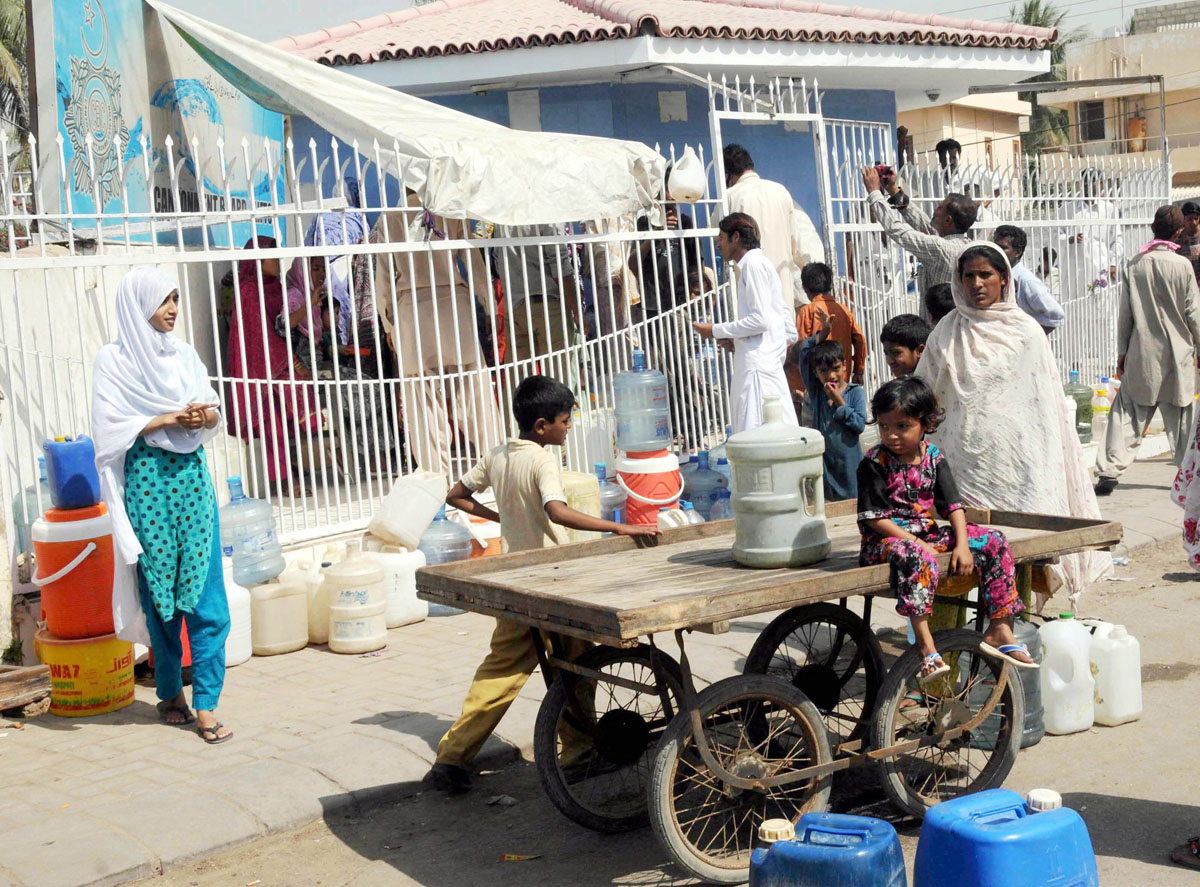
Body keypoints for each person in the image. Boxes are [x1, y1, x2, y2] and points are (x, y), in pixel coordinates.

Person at [425, 376, 659, 794]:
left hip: (516, 582)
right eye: (564, 421)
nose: (568, 427)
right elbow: (558, 512)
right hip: (554, 582)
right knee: (578, 667)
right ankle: (578, 754)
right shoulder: (542, 460)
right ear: (541, 425)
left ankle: (451, 759)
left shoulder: (498, 454)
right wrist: (617, 528)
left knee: (500, 672)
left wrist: (503, 520)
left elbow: (456, 495)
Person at [917, 243, 1111, 602]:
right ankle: (955, 647)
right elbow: (924, 391)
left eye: (985, 275)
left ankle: (1011, 635)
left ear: (1004, 279)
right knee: (956, 565)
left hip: (1016, 466)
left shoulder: (1027, 332)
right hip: (961, 465)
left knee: (1018, 552)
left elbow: (1043, 408)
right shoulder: (946, 331)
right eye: (969, 275)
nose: (977, 283)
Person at [92, 267, 233, 744]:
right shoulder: (113, 362)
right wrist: (163, 418)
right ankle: (170, 693)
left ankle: (207, 704)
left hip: (192, 484)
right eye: (163, 300)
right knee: (163, 601)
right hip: (148, 487)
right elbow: (109, 432)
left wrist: (201, 415)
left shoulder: (185, 356)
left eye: (175, 298)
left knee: (208, 601)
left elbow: (213, 409)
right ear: (139, 305)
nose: (173, 308)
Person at [857, 376, 1036, 682]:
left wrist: (963, 545)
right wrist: (917, 542)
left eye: (902, 426)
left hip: (923, 535)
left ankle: (999, 627)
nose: (892, 435)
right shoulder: (874, 462)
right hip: (884, 543)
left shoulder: (934, 458)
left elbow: (953, 507)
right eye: (884, 427)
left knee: (994, 540)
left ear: (925, 423)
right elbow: (876, 519)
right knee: (917, 555)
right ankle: (926, 648)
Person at [373, 196, 505, 475]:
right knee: (474, 389)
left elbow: (384, 276)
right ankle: (497, 461)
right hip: (452, 305)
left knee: (422, 400)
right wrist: (488, 305)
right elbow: (471, 257)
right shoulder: (448, 210)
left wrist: (388, 325)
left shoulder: (389, 217)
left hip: (412, 310)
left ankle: (436, 476)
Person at [1096, 205, 1200, 495]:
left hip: (1142, 352)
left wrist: (1122, 352)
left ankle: (1109, 472)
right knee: (1180, 418)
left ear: (1153, 228)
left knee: (1128, 414)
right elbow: (1193, 313)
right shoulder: (1182, 266)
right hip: (1178, 355)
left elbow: (1125, 314)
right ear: (1178, 232)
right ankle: (1189, 473)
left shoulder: (1135, 264)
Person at [226, 236, 320, 497]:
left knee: (292, 422)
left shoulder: (278, 287)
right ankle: (284, 481)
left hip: (281, 365)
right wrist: (293, 363)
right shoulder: (248, 291)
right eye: (272, 257)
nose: (278, 261)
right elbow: (259, 337)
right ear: (257, 260)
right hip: (260, 370)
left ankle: (288, 470)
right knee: (272, 426)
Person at [693, 213, 799, 433]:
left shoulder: (753, 265)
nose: (718, 244)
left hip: (758, 372)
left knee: (758, 440)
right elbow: (785, 328)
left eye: (721, 237)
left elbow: (759, 320)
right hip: (766, 367)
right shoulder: (761, 264)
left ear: (736, 237)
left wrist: (714, 330)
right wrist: (739, 339)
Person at [862, 166, 977, 300]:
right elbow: (924, 225)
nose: (935, 209)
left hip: (939, 320)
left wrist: (874, 192)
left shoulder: (941, 248)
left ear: (948, 220)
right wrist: (894, 191)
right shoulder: (963, 245)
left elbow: (896, 229)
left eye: (939, 208)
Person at [723, 144, 819, 307]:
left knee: (754, 325)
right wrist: (813, 277)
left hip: (751, 287)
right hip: (782, 284)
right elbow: (796, 243)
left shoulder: (730, 197)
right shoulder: (780, 191)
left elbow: (718, 237)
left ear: (728, 175)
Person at [799, 317, 865, 501]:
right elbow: (804, 354)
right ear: (816, 373)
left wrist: (839, 402)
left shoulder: (854, 392)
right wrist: (823, 333)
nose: (831, 375)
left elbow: (859, 425)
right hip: (827, 465)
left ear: (844, 366)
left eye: (836, 368)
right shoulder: (818, 393)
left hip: (851, 465)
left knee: (854, 505)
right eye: (824, 371)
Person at [793, 262, 866, 385]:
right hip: (842, 380)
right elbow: (860, 339)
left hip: (818, 381)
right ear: (831, 286)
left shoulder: (806, 311)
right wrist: (859, 370)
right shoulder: (843, 310)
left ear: (805, 288)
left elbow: (802, 348)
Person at [993, 224, 1065, 335]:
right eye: (995, 246)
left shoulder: (1027, 281)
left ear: (1017, 252)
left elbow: (1056, 315)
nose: (997, 251)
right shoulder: (999, 274)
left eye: (1003, 248)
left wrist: (1027, 339)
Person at [880, 313, 931, 378]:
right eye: (886, 354)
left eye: (896, 353)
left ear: (920, 351)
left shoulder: (935, 382)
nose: (890, 361)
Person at [1177, 201, 1200, 287]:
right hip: (1184, 280)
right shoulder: (1177, 237)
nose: (1193, 222)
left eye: (1196, 219)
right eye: (1190, 219)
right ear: (1183, 219)